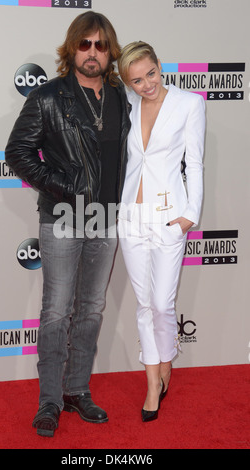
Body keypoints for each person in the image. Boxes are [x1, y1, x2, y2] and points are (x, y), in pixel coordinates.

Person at [5, 12, 130, 437]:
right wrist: (63, 185)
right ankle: (49, 401)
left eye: (100, 45)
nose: (92, 53)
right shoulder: (47, 98)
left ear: (110, 50)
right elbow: (17, 153)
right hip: (62, 216)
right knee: (56, 311)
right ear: (72, 47)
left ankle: (77, 391)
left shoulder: (119, 97)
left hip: (107, 218)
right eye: (84, 44)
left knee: (92, 309)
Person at [117, 42, 205, 422]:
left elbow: (196, 162)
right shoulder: (129, 108)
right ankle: (153, 382)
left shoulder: (189, 103)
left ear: (159, 66)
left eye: (150, 73)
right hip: (130, 216)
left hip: (169, 217)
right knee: (142, 306)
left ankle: (165, 361)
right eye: (136, 80)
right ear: (128, 84)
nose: (146, 85)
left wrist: (189, 216)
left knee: (162, 305)